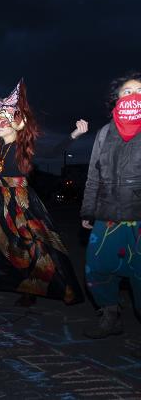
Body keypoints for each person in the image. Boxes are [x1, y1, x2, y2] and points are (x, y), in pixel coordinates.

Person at [0, 79, 88, 307]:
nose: (3, 123)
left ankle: (39, 288)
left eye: (7, 120)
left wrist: (74, 134)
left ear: (17, 123)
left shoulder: (24, 146)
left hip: (22, 200)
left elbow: (53, 150)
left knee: (34, 245)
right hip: (0, 200)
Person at [81, 72, 141, 339]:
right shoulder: (105, 133)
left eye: (139, 91)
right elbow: (94, 175)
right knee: (96, 269)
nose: (133, 95)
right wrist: (88, 209)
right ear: (116, 98)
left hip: (139, 217)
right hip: (107, 215)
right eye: (127, 91)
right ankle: (110, 315)